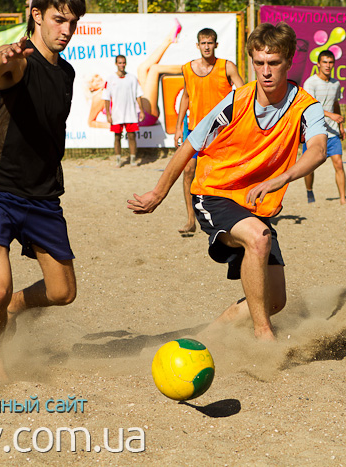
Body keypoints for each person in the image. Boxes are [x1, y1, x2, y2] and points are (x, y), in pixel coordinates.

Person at [128, 22, 328, 341]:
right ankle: (265, 337)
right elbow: (190, 145)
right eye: (259, 63)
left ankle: (208, 337)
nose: (265, 71)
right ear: (252, 61)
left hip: (255, 205)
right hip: (215, 193)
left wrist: (283, 178)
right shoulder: (237, 100)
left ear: (289, 61)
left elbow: (318, 149)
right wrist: (157, 193)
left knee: (274, 300)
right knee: (259, 238)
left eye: (274, 63)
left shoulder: (306, 107)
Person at [0, 0, 85, 381]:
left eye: (72, 22)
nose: (66, 29)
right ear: (37, 16)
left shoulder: (66, 72)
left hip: (43, 196)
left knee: (63, 291)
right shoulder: (19, 61)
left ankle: (16, 307)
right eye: (59, 19)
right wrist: (2, 56)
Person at [174, 28, 244, 236]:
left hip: (220, 131)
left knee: (222, 174)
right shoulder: (187, 68)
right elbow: (186, 97)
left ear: (216, 45)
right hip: (194, 129)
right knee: (188, 172)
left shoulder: (226, 66)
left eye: (210, 42)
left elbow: (243, 94)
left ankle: (229, 217)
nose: (206, 46)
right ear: (198, 45)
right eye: (203, 43)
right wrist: (179, 127)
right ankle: (190, 220)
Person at [302, 50, 346, 205]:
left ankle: (342, 199)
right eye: (325, 62)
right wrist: (330, 115)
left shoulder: (336, 84)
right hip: (314, 132)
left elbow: (336, 104)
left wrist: (340, 125)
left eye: (330, 62)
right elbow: (310, 107)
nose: (328, 65)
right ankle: (309, 191)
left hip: (332, 132)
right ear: (318, 64)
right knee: (309, 167)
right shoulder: (310, 83)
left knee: (339, 163)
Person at [103, 54, 145, 167]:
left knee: (132, 136)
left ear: (126, 63)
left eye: (123, 62)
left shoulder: (132, 78)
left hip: (130, 113)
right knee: (117, 136)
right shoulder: (110, 79)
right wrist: (108, 114)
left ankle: (132, 159)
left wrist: (141, 110)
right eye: (120, 63)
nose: (122, 65)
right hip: (117, 114)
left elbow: (138, 95)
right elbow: (106, 97)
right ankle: (118, 159)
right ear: (116, 64)